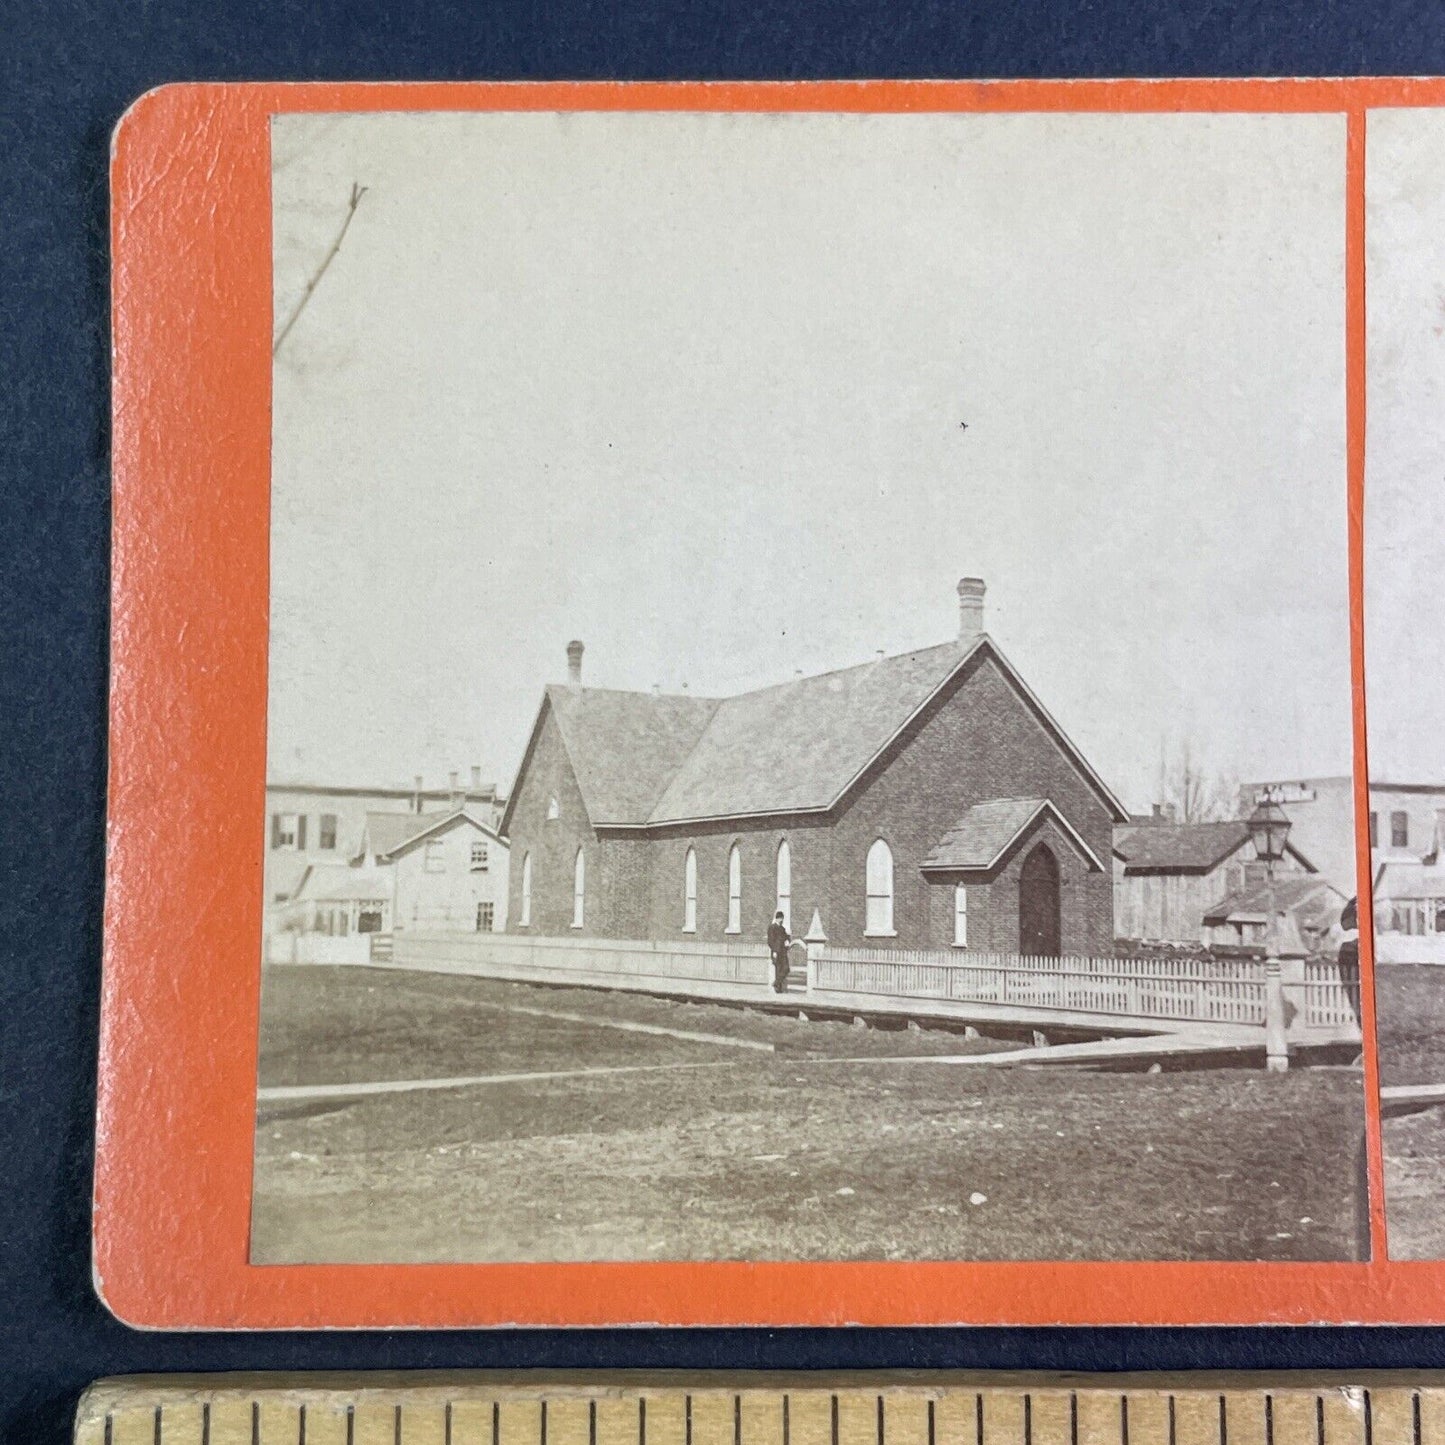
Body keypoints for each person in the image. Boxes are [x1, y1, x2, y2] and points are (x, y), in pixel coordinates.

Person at [767, 910, 792, 994]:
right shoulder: (772, 927)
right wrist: (774, 951)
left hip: (783, 952)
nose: (781, 920)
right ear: (776, 918)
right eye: (779, 918)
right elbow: (770, 941)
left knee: (786, 969)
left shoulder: (782, 928)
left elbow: (786, 937)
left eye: (782, 918)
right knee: (778, 970)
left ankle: (776, 983)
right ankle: (778, 989)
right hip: (776, 952)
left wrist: (788, 939)